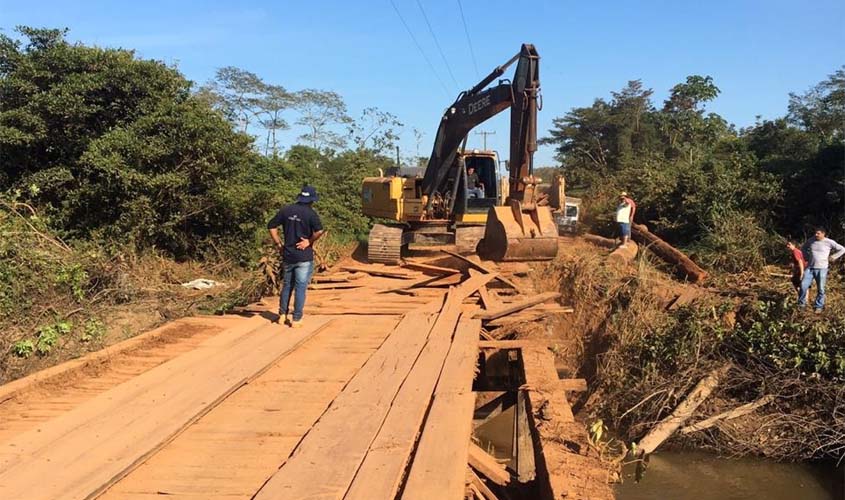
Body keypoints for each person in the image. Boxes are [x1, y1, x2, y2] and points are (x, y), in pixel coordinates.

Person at [267, 185, 325, 327]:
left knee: (287, 285)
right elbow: (319, 231)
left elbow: (271, 226)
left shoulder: (286, 210)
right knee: (300, 287)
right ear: (311, 200)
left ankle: (282, 315)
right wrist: (309, 241)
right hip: (304, 257)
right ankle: (297, 319)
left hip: (288, 254)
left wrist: (279, 244)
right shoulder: (311, 214)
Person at [799, 228, 845, 313]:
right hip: (810, 268)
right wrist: (806, 257)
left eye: (818, 233)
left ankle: (818, 306)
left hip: (822, 268)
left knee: (821, 288)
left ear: (823, 234)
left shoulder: (829, 242)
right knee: (803, 285)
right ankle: (802, 304)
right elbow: (803, 248)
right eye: (815, 233)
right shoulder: (811, 240)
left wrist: (833, 257)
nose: (816, 235)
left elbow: (842, 249)